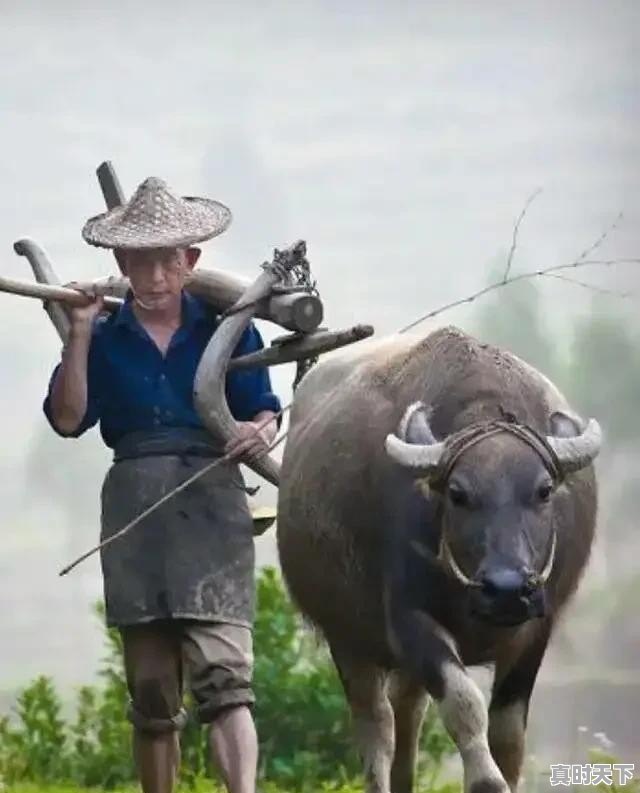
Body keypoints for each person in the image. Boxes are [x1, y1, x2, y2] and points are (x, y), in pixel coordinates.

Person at [43, 176, 282, 793]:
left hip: (212, 503)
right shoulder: (100, 336)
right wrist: (76, 335)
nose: (154, 277)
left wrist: (260, 431)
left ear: (190, 262)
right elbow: (69, 419)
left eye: (167, 261)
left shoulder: (227, 327)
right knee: (151, 693)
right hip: (134, 511)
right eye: (140, 263)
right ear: (121, 264)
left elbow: (263, 409)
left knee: (227, 681)